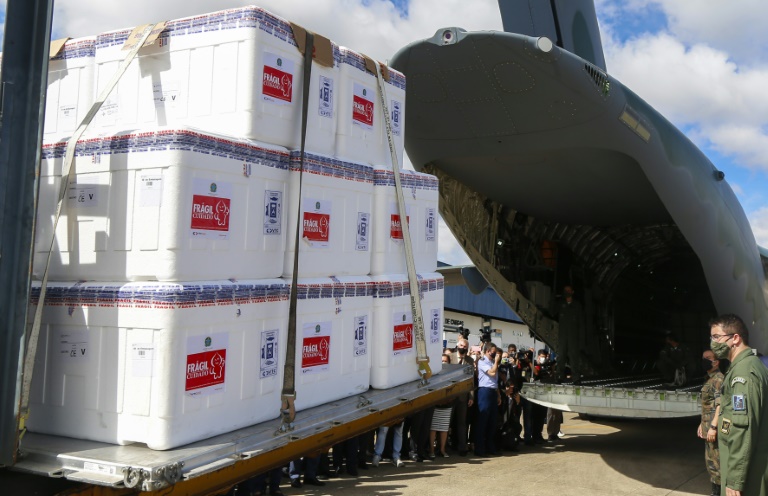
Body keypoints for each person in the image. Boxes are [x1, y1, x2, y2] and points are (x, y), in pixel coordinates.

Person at [709, 314, 768, 496]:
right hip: (747, 467)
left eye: (716, 337)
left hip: (748, 475)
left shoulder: (744, 373)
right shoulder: (745, 366)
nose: (712, 343)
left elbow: (743, 429)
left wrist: (735, 480)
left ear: (735, 338)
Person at [697, 350, 724, 496]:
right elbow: (708, 406)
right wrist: (702, 424)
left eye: (708, 358)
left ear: (716, 362)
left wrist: (713, 427)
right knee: (711, 463)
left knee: (717, 465)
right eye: (703, 358)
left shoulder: (718, 379)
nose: (704, 360)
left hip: (714, 430)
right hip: (708, 428)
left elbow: (720, 405)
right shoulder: (709, 379)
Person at [474, 341, 502, 456]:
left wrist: (498, 394)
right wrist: (496, 362)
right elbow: (492, 373)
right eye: (493, 352)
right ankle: (479, 448)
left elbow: (495, 380)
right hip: (484, 391)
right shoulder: (482, 362)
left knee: (492, 421)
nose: (495, 355)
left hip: (493, 391)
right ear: (487, 351)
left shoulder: (492, 362)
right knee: (483, 420)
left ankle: (490, 447)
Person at [555, 285, 585, 383]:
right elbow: (552, 312)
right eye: (565, 290)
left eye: (568, 290)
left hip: (573, 336)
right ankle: (559, 376)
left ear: (572, 292)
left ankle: (576, 378)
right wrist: (553, 298)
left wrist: (581, 339)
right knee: (561, 356)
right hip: (562, 336)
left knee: (574, 357)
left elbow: (581, 322)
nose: (566, 292)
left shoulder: (577, 305)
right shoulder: (560, 304)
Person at [450, 338, 474, 455]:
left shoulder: (470, 360)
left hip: (463, 396)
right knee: (448, 422)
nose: (462, 348)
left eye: (465, 346)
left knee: (462, 423)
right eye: (461, 345)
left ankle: (462, 447)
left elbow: (471, 379)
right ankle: (442, 447)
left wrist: (471, 396)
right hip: (450, 395)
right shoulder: (451, 357)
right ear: (457, 345)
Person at [429, 355, 455, 458]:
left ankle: (442, 450)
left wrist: (448, 399)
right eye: (442, 361)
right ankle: (431, 450)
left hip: (447, 405)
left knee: (444, 429)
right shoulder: (434, 374)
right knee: (433, 429)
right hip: (435, 405)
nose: (444, 363)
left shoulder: (452, 374)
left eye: (445, 361)